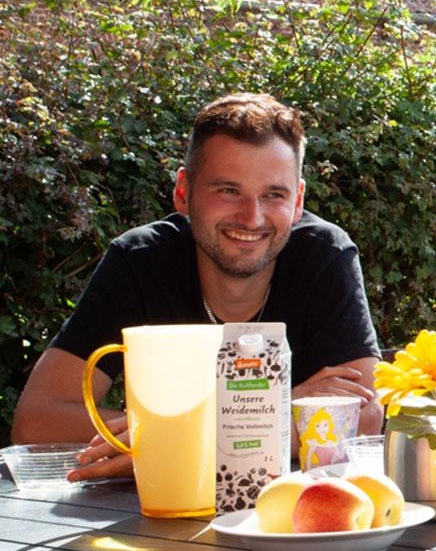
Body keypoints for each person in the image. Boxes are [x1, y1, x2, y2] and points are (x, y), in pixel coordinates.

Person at [13, 93, 381, 480]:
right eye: (228, 190)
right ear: (184, 192)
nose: (251, 217)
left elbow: (365, 418)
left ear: (298, 200)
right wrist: (276, 415)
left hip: (287, 519)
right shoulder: (141, 260)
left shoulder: (323, 256)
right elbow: (37, 421)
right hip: (153, 515)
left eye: (274, 194)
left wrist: (172, 438)